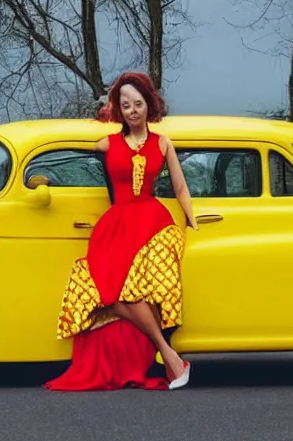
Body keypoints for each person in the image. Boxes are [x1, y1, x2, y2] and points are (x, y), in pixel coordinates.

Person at [44, 71, 197, 392]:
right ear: (118, 109)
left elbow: (180, 185)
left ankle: (166, 355)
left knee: (134, 293)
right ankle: (169, 355)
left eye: (138, 103)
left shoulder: (162, 142)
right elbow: (69, 146)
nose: (132, 111)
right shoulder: (107, 143)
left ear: (148, 105)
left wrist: (191, 218)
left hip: (152, 223)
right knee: (106, 294)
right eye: (125, 105)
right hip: (114, 226)